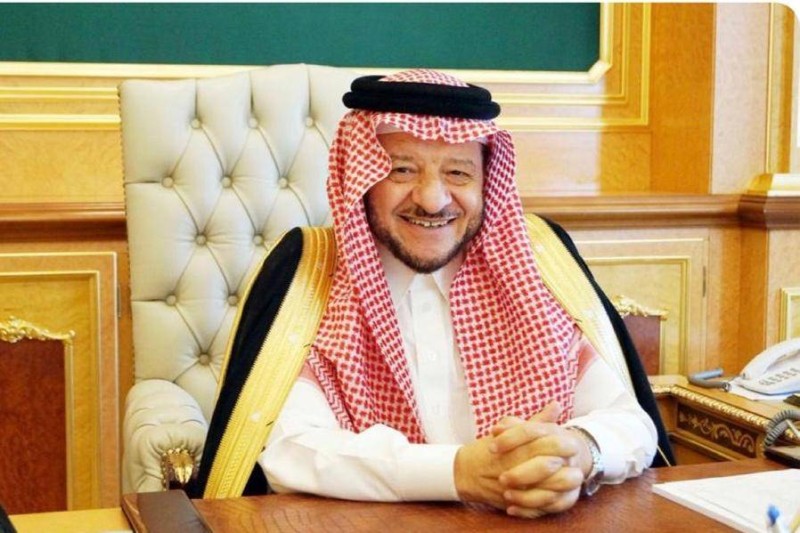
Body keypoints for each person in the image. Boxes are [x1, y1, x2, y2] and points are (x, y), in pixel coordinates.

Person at [190, 69, 674, 518]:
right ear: (361, 178)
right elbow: (291, 449)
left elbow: (629, 420)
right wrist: (458, 472)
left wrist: (579, 452)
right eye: (402, 170)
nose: (432, 199)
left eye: (458, 173)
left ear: (486, 181)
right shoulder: (311, 274)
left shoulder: (537, 265)